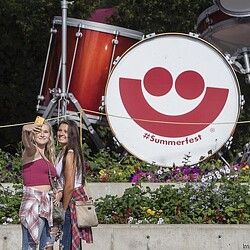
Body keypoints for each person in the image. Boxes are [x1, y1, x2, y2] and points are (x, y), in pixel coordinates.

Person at [55, 119, 93, 249]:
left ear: (72, 135)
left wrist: (63, 209)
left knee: (67, 243)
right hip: (67, 199)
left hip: (71, 201)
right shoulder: (62, 153)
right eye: (60, 130)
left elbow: (70, 185)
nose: (61, 133)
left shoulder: (69, 154)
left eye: (66, 131)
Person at [19, 120, 57, 249]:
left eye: (45, 132)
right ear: (33, 135)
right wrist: (25, 130)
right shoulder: (32, 151)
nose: (42, 134)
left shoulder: (47, 156)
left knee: (44, 246)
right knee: (31, 246)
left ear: (50, 136)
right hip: (34, 202)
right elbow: (27, 143)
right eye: (39, 131)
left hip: (46, 203)